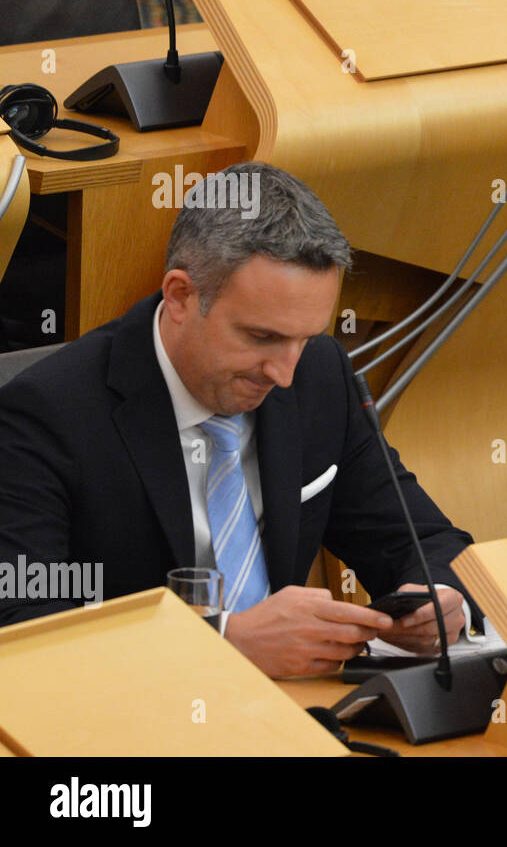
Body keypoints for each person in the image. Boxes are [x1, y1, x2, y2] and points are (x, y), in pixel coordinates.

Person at [0, 162, 476, 677]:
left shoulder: (320, 375)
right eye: (263, 338)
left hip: (303, 708)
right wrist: (225, 644)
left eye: (306, 337)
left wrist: (440, 597)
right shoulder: (44, 415)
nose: (285, 374)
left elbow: (424, 540)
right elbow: (24, 630)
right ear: (181, 296)